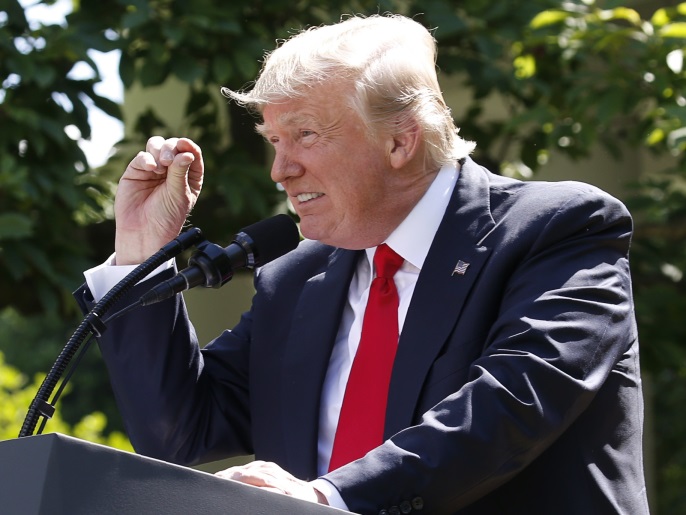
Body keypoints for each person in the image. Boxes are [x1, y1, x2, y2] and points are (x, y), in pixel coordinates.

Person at [77, 13, 649, 514]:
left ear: (400, 142)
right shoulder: (297, 279)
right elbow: (180, 432)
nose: (280, 170)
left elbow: (510, 408)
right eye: (273, 140)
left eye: (304, 135)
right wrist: (141, 253)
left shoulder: (560, 228)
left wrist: (326, 500)